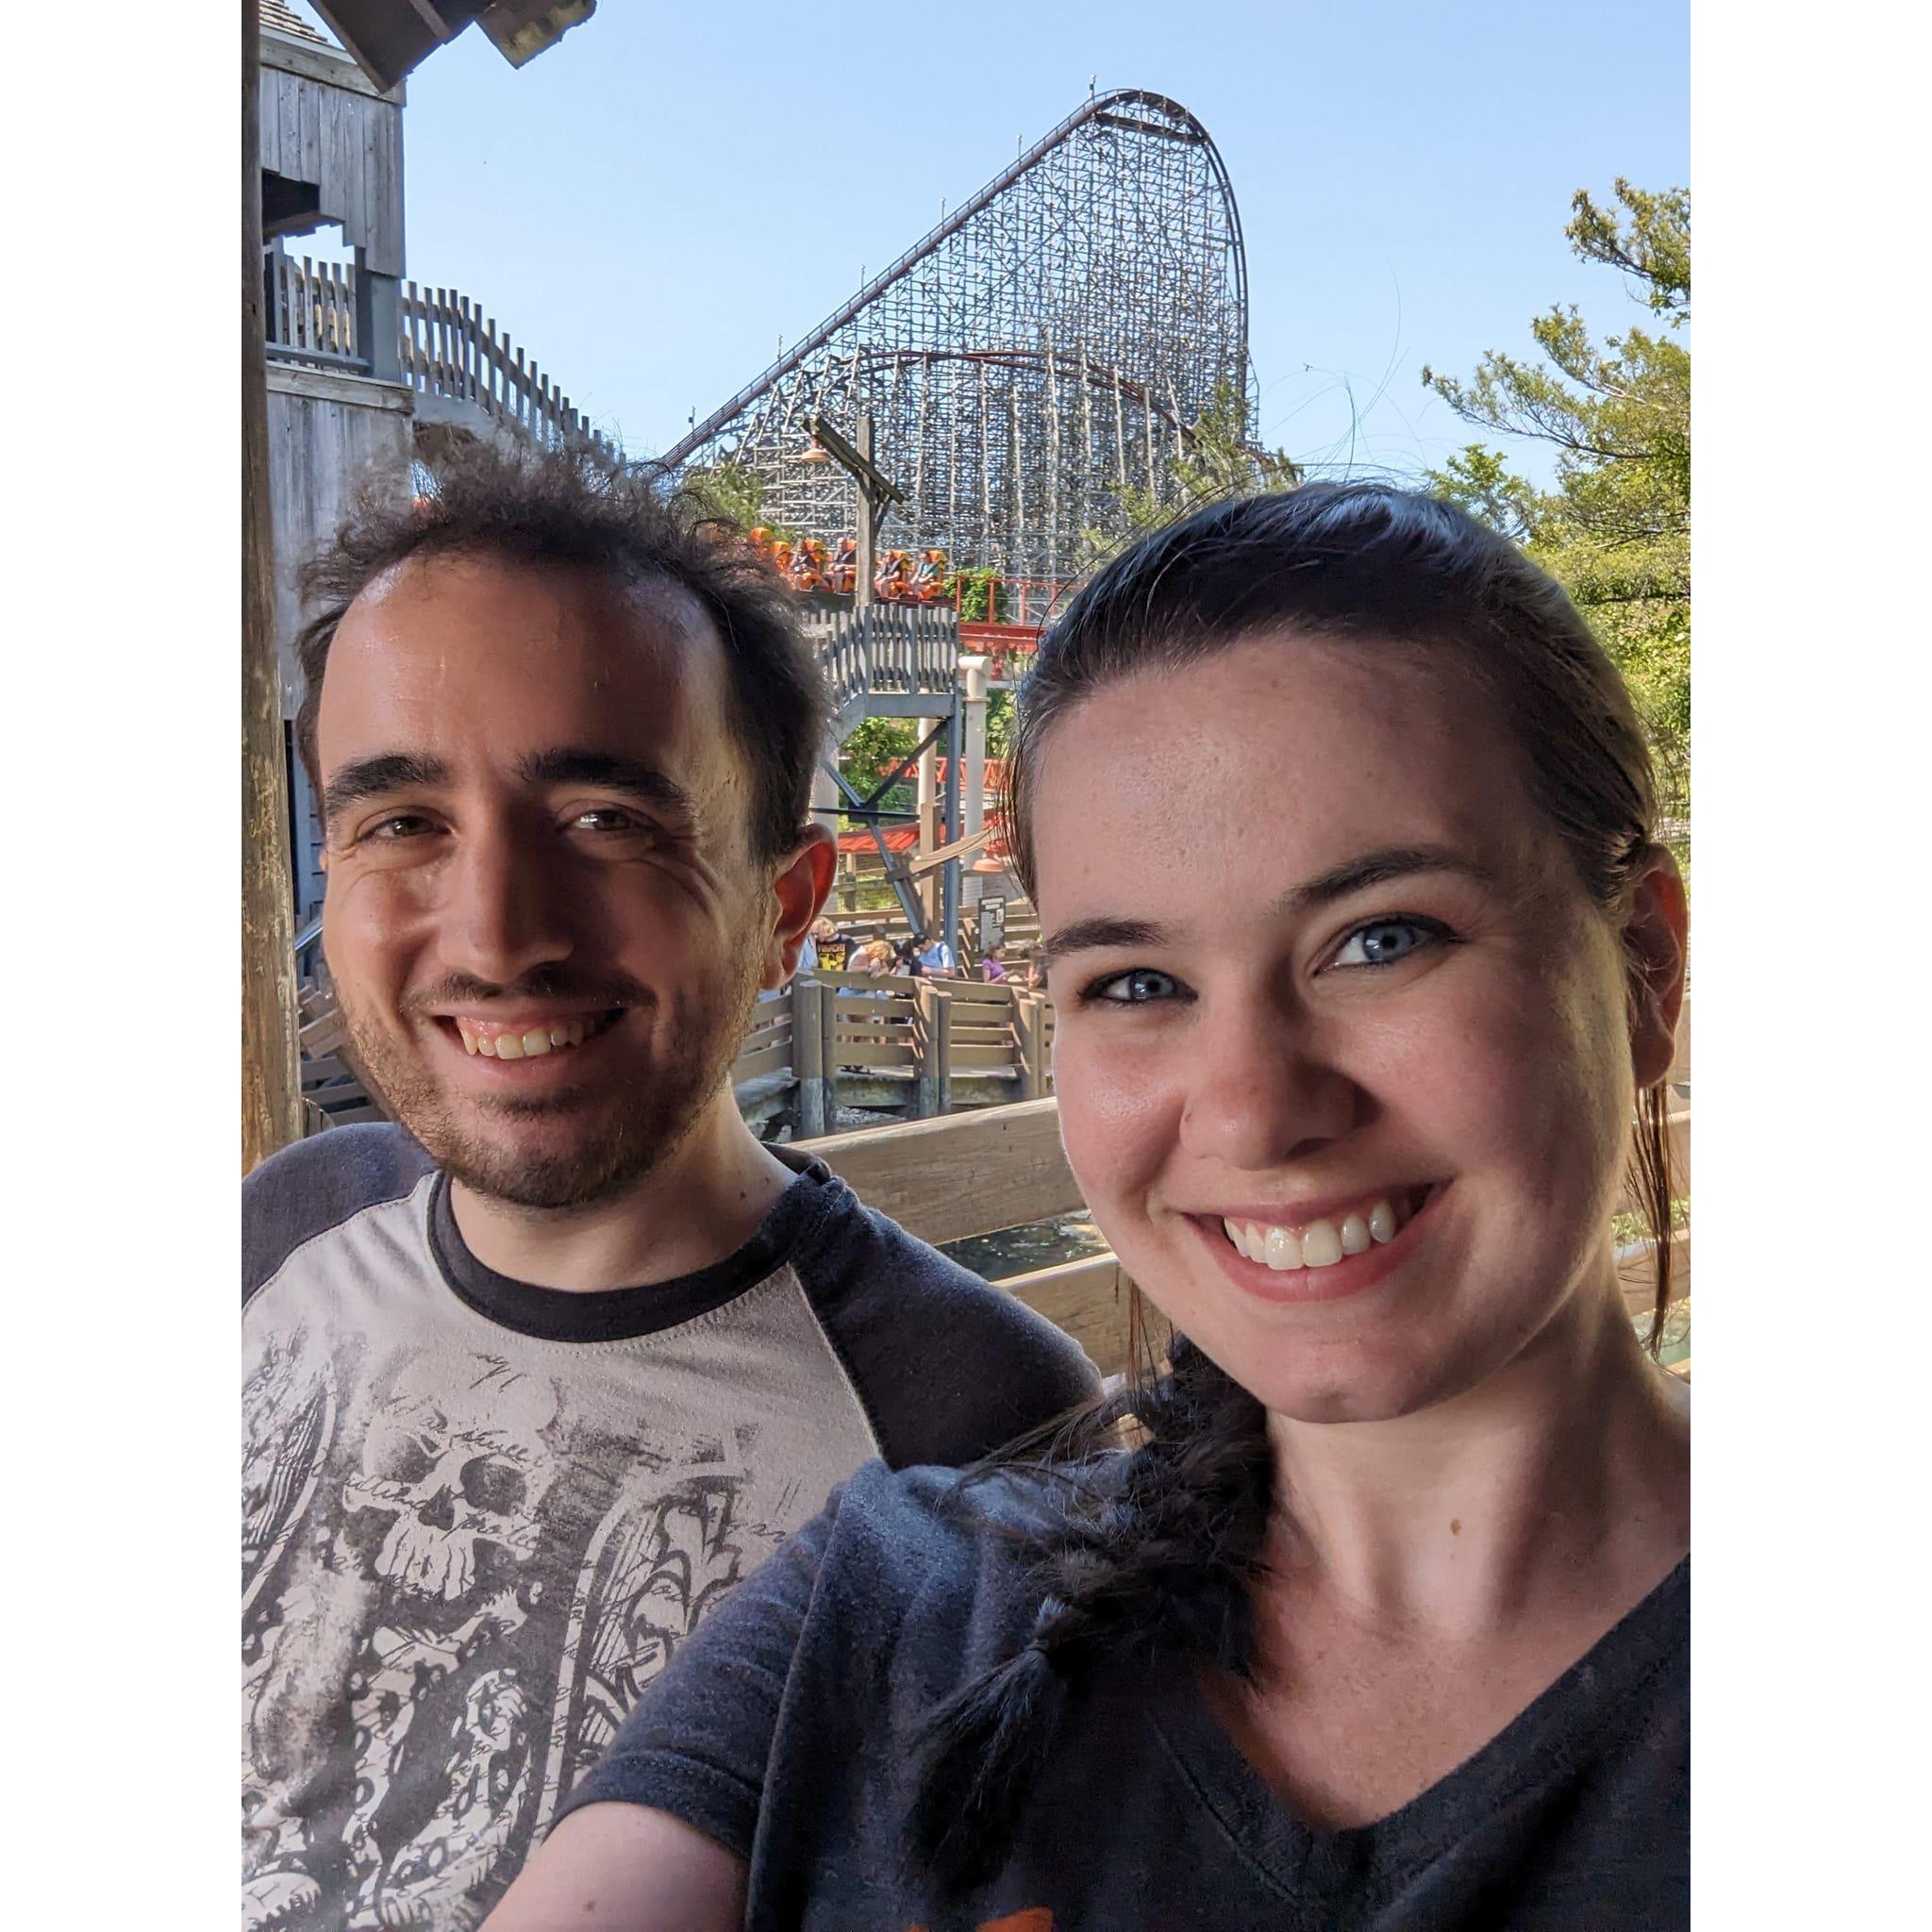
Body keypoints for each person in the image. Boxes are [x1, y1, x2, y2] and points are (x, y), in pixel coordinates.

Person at [488, 482, 1691, 1930]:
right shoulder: (896, 1610)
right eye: (1136, 984)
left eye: (1382, 940)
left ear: (1647, 968)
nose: (1251, 1109)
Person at [242, 444, 1099, 1932]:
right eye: (400, 823)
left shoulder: (981, 1424)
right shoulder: (280, 1228)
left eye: (607, 823)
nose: (499, 936)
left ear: (785, 909)